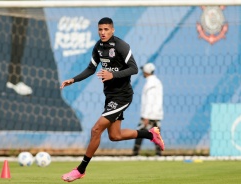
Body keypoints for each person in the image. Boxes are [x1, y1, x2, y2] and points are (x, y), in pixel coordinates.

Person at [60, 17, 165, 182]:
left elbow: (134, 68)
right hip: (110, 96)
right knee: (115, 136)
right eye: (100, 29)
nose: (103, 32)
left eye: (106, 29)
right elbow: (90, 68)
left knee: (96, 130)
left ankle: (80, 170)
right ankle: (150, 134)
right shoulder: (98, 47)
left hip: (123, 95)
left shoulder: (122, 46)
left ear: (113, 30)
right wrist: (73, 79)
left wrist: (112, 74)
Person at [132, 63, 164, 156]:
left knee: (140, 133)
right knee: (156, 134)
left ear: (147, 72)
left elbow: (150, 100)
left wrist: (146, 116)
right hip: (156, 114)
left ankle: (135, 153)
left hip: (150, 115)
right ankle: (159, 154)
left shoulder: (150, 83)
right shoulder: (157, 82)